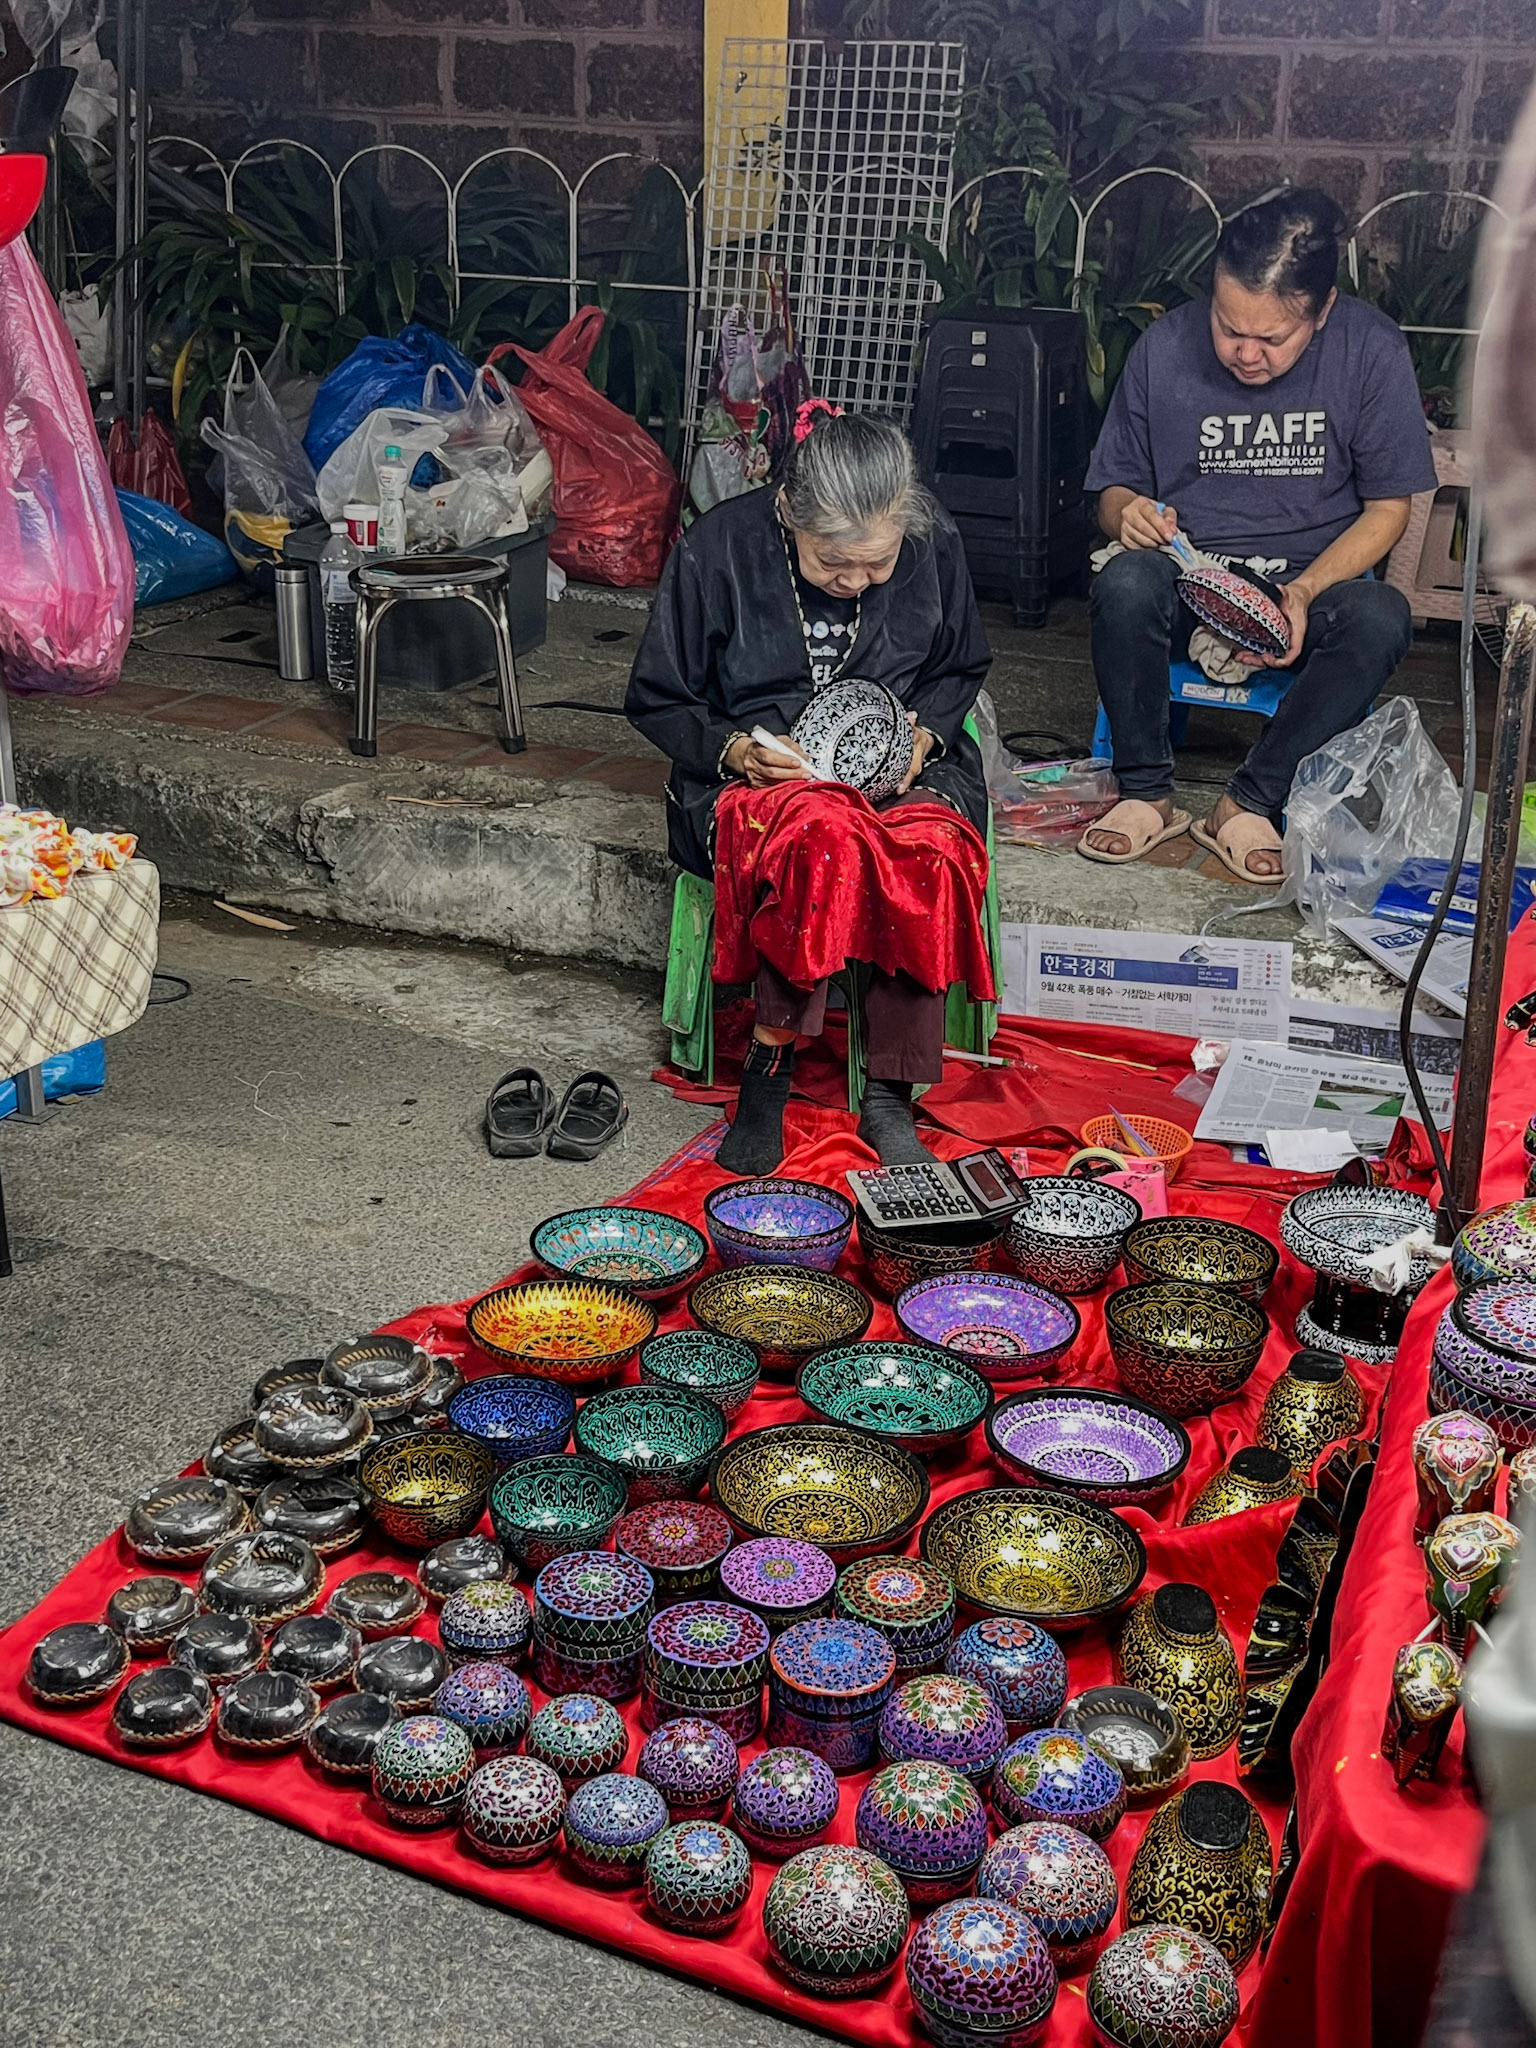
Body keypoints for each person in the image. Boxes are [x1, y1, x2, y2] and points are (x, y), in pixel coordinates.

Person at [625, 404, 995, 1174]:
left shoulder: (934, 541)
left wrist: (924, 741)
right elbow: (659, 697)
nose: (857, 580)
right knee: (823, 836)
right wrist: (734, 751)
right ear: (790, 513)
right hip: (762, 779)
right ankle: (770, 1072)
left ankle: (892, 1090)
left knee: (925, 846)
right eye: (836, 563)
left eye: (876, 564)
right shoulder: (718, 549)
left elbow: (961, 666)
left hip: (900, 769)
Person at [1079, 187, 1437, 882]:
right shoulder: (1164, 347)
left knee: (1382, 615)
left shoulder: (1370, 350)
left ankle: (1249, 803)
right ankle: (1147, 793)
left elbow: (1389, 510)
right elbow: (1112, 490)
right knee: (1123, 579)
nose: (1244, 353)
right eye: (1228, 326)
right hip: (1191, 581)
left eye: (1271, 337)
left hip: (1306, 594)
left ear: (1322, 309)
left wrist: (1302, 592)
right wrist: (1126, 513)